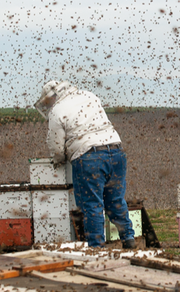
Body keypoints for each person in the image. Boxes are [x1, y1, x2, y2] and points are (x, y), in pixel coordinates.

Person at [36, 80, 134, 249]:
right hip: (116, 152)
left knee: (92, 205)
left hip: (89, 157)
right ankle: (129, 239)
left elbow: (57, 147)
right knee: (115, 200)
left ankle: (97, 248)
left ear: (53, 96)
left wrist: (58, 160)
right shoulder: (89, 95)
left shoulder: (57, 111)